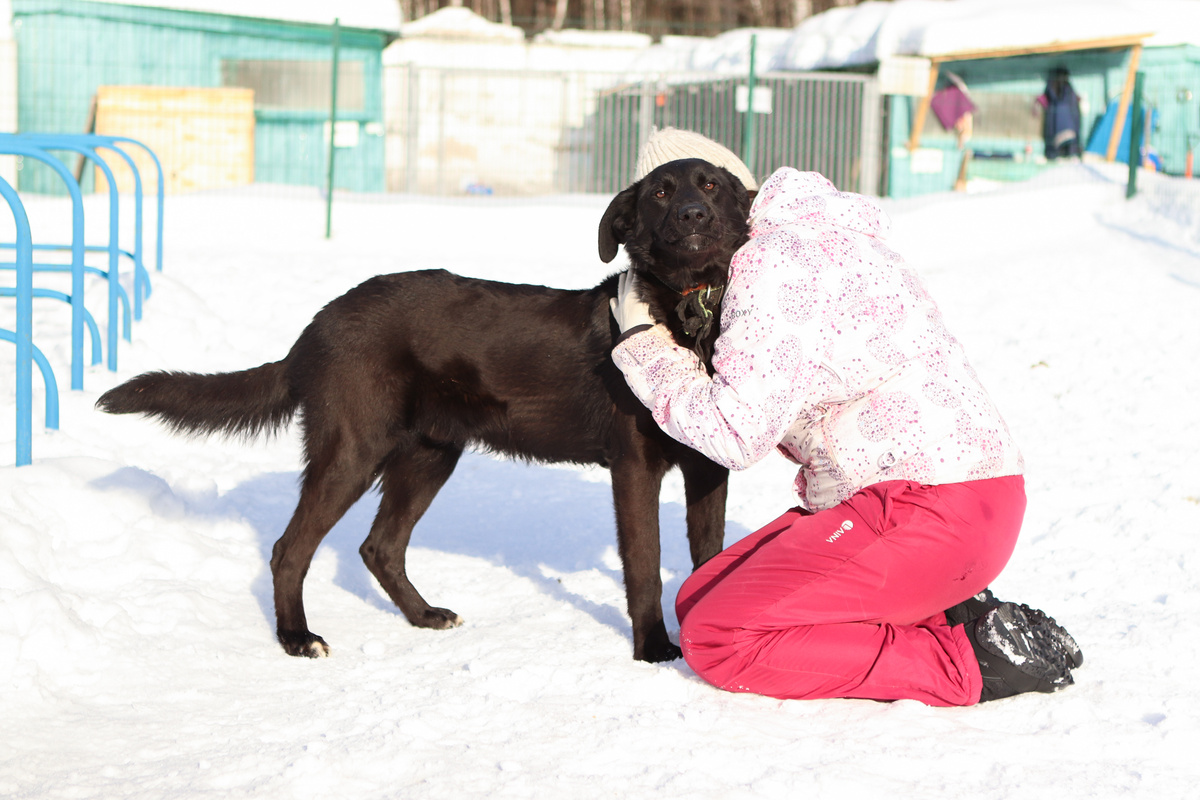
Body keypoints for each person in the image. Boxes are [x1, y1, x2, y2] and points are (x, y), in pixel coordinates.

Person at [608, 128, 1082, 706]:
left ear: (738, 196)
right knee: (699, 596)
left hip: (924, 510)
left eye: (706, 189)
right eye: (665, 200)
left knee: (716, 635)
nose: (689, 210)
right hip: (976, 497)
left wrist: (645, 345)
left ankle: (967, 662)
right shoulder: (827, 234)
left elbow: (735, 435)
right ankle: (949, 610)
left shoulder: (770, 267)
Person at [1036, 67, 1083, 160]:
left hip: (1058, 132)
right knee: (1068, 153)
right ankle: (1069, 153)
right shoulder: (1069, 92)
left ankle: (1061, 153)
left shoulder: (1052, 90)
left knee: (1060, 154)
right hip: (1070, 131)